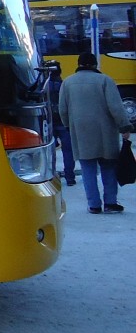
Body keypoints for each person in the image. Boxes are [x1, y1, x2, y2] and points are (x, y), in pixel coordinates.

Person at [58, 52, 133, 214]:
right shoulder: (105, 80)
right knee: (108, 168)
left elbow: (62, 110)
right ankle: (110, 202)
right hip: (105, 133)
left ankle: (94, 205)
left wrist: (68, 126)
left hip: (81, 132)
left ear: (78, 63)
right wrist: (125, 127)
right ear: (94, 65)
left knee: (88, 170)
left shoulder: (68, 83)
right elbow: (116, 107)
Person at [46, 60, 75, 185]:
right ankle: (70, 177)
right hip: (64, 122)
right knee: (68, 151)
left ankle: (51, 176)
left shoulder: (44, 86)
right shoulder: (65, 85)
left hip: (49, 122)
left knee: (50, 151)